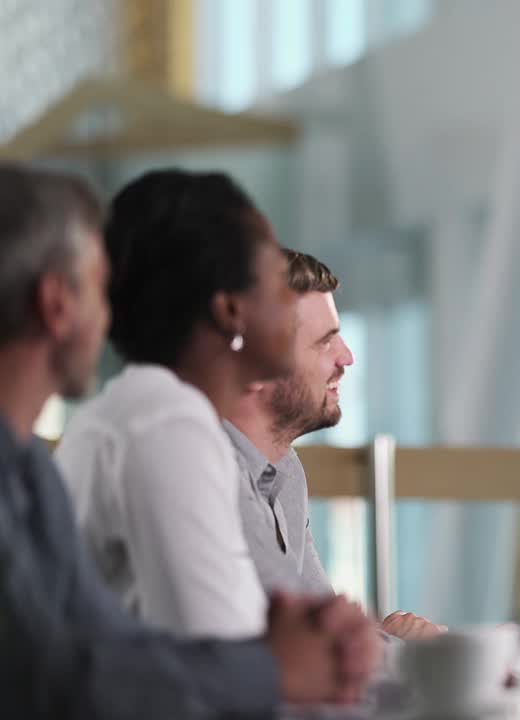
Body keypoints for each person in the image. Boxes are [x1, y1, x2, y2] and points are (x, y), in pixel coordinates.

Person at [0, 163, 378, 716]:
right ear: (58, 303)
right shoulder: (162, 418)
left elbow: (95, 652)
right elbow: (63, 675)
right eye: (99, 285)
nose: (109, 313)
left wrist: (274, 652)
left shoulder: (30, 466)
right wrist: (272, 663)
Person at [55, 168, 305, 638]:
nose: (295, 298)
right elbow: (222, 662)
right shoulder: (165, 424)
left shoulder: (145, 412)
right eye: (277, 277)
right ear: (230, 309)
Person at [222, 248, 444, 640]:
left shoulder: (284, 470)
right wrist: (397, 648)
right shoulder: (209, 479)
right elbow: (284, 654)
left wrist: (385, 645)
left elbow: (320, 633)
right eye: (326, 342)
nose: (347, 357)